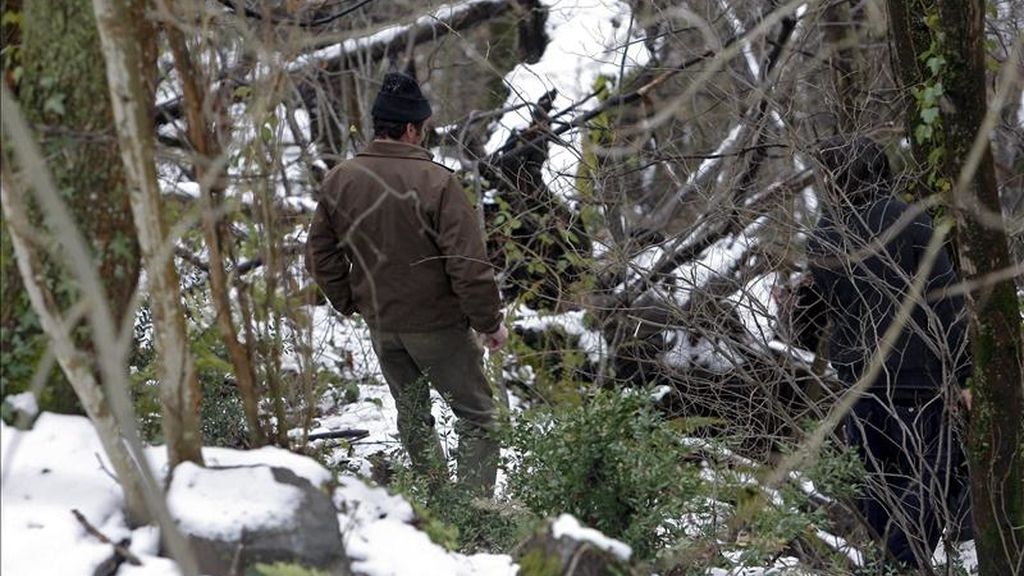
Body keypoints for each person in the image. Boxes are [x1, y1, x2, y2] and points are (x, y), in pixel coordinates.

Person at [305, 72, 508, 496]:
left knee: (413, 414)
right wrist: (488, 322)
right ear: (412, 128)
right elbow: (468, 265)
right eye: (424, 129)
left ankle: (435, 502)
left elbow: (320, 256)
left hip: (383, 325)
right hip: (437, 327)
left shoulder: (341, 178)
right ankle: (471, 515)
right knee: (479, 417)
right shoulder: (438, 183)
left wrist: (354, 302)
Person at [798, 136, 971, 568]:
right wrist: (965, 376)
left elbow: (811, 326)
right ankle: (894, 569)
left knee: (882, 498)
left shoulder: (823, 235)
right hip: (919, 387)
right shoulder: (910, 222)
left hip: (860, 390)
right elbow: (947, 303)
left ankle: (891, 565)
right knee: (929, 489)